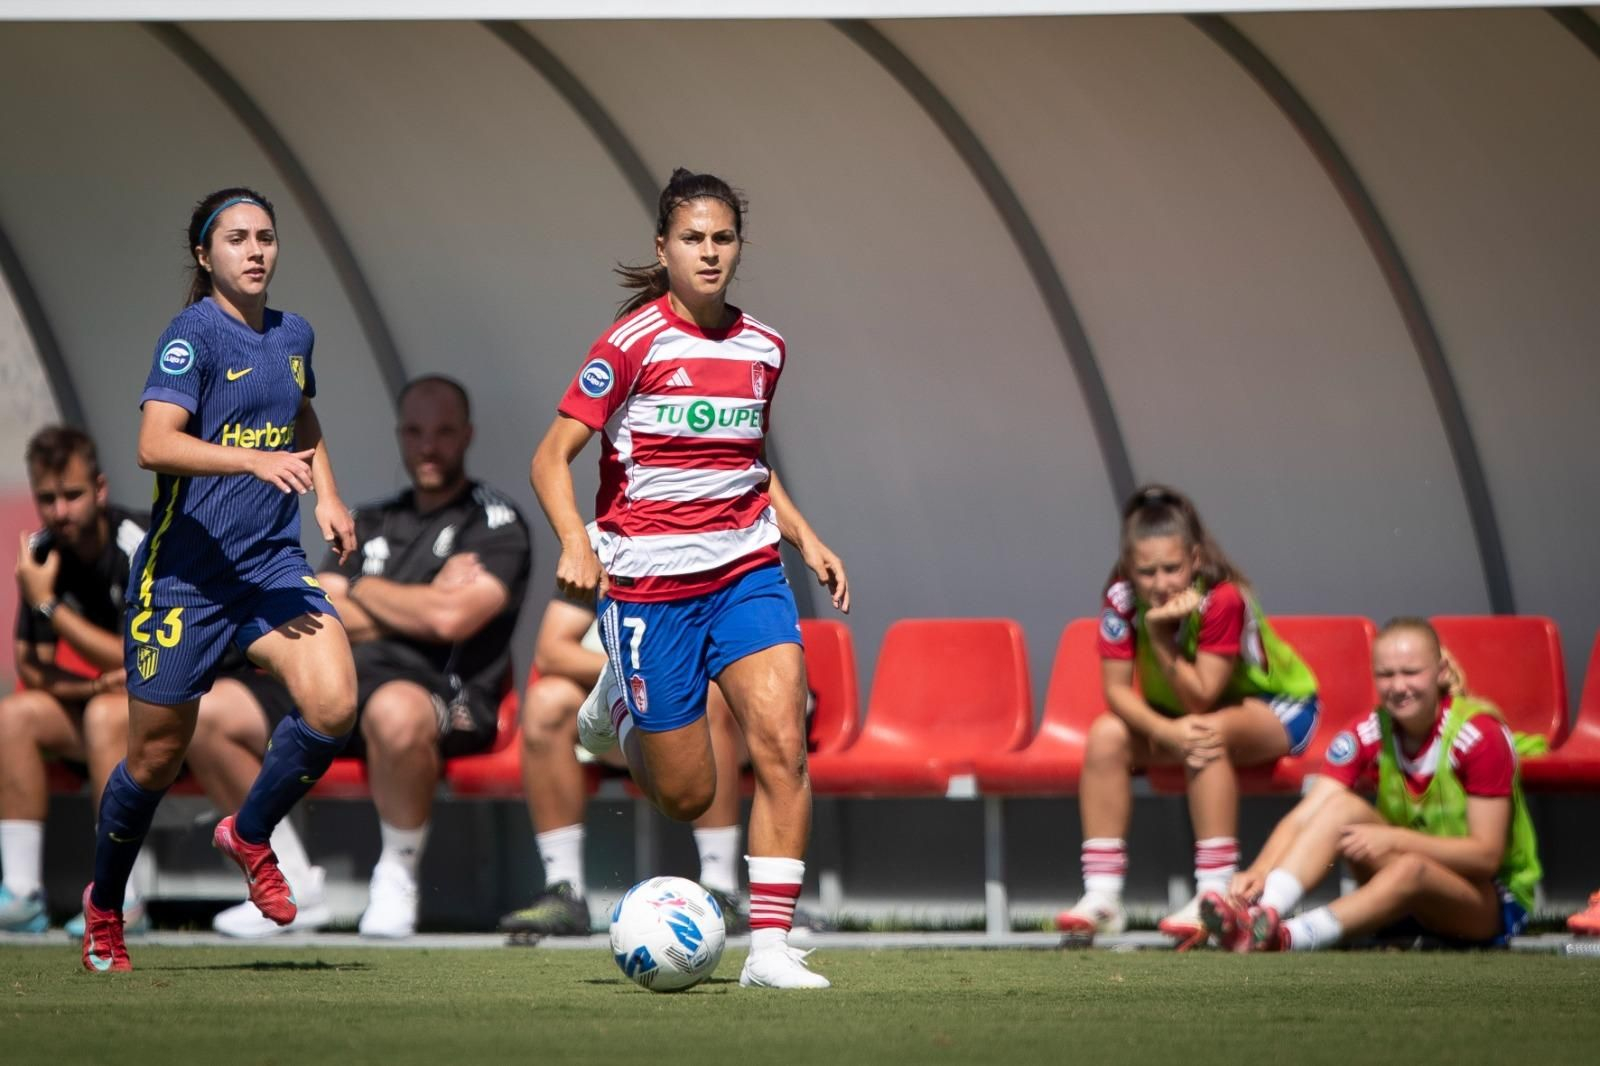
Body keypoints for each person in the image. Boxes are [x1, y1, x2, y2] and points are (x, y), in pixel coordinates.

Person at [530, 168, 848, 988]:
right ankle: (615, 701)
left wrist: (806, 538)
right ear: (662, 249)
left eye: (723, 239)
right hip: (648, 586)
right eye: (693, 239)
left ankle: (770, 950)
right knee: (686, 792)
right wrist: (575, 539)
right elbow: (549, 458)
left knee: (782, 745)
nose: (709, 253)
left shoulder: (764, 348)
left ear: (739, 246)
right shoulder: (629, 345)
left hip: (747, 570)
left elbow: (745, 462)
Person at [80, 187, 360, 972]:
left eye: (266, 236)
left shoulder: (294, 333)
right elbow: (152, 444)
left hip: (269, 568)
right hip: (184, 579)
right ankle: (104, 908)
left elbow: (299, 414)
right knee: (156, 760)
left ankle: (249, 832)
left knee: (335, 701)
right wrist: (248, 458)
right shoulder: (190, 337)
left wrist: (328, 493)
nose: (256, 250)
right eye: (236, 238)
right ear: (205, 257)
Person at [184, 374, 531, 938]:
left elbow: (452, 619)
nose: (428, 446)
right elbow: (319, 606)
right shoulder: (369, 519)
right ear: (399, 435)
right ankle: (284, 880)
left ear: (467, 435)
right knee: (209, 709)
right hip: (340, 678)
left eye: (443, 432)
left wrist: (364, 589)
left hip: (437, 692)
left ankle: (397, 877)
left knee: (394, 710)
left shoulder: (495, 521)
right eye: (415, 432)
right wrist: (416, 597)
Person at [1055, 485, 1320, 947]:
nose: (1160, 583)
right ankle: (1102, 897)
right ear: (1129, 569)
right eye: (1146, 571)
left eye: (1171, 568)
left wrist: (1159, 639)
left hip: (1280, 709)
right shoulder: (1120, 599)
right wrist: (1163, 731)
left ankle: (1215, 895)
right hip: (1183, 714)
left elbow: (1201, 699)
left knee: (1204, 731)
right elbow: (1116, 692)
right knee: (1105, 735)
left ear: (1195, 559)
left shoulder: (1223, 599)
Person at [1202, 618, 1540, 951]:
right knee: (1340, 808)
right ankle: (1262, 912)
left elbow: (1486, 857)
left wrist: (1394, 839)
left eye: (1411, 672)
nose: (1398, 686)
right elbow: (1308, 814)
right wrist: (1260, 870)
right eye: (1386, 674)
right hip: (1407, 893)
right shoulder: (1368, 730)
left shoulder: (1480, 736)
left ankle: (1286, 937)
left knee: (1412, 867)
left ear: (1441, 672)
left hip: (1487, 903)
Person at [498, 597, 749, 939]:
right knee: (545, 703)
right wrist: (634, 668)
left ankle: (722, 889)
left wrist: (657, 670)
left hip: (723, 711)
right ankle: (563, 890)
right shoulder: (604, 551)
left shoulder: (711, 548)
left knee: (708, 694)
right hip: (630, 701)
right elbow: (552, 651)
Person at [0, 428, 149, 933]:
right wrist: (89, 688)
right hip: (99, 711)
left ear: (101, 489)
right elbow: (31, 666)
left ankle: (119, 897)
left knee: (109, 715)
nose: (59, 511)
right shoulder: (41, 552)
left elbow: (143, 657)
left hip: (165, 717)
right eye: (47, 498)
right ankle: (22, 895)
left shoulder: (140, 543)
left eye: (72, 495)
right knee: (14, 715)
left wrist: (50, 606)